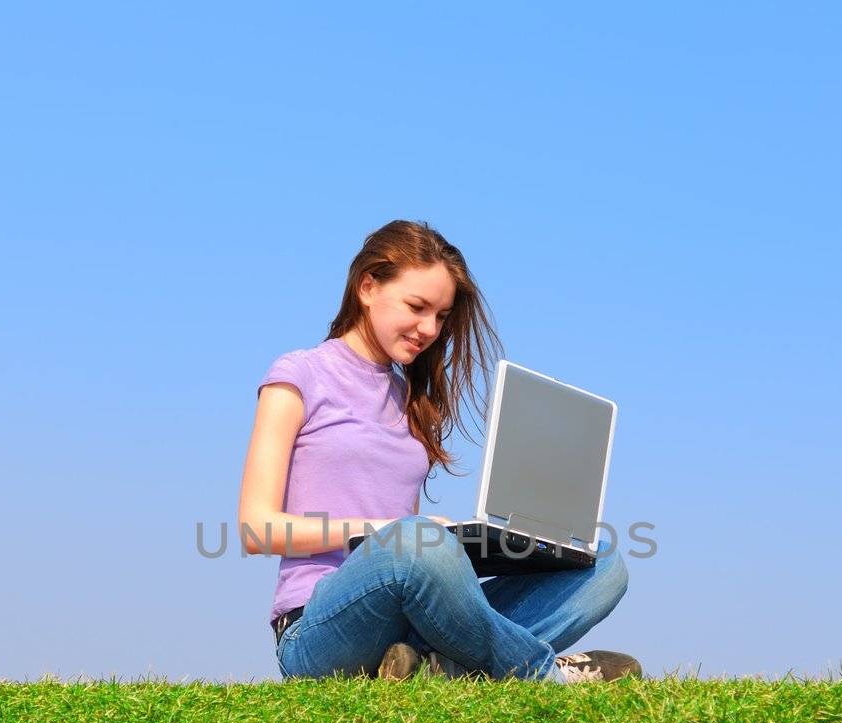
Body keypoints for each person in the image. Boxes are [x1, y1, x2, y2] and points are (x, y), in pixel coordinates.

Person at [237, 220, 639, 682]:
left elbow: (413, 554)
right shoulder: (297, 376)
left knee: (603, 564)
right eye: (417, 306)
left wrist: (467, 539)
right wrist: (395, 533)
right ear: (368, 287)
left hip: (408, 625)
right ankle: (548, 676)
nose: (429, 328)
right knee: (414, 543)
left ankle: (433, 668)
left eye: (442, 316)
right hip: (316, 629)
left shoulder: (412, 399)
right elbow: (256, 529)